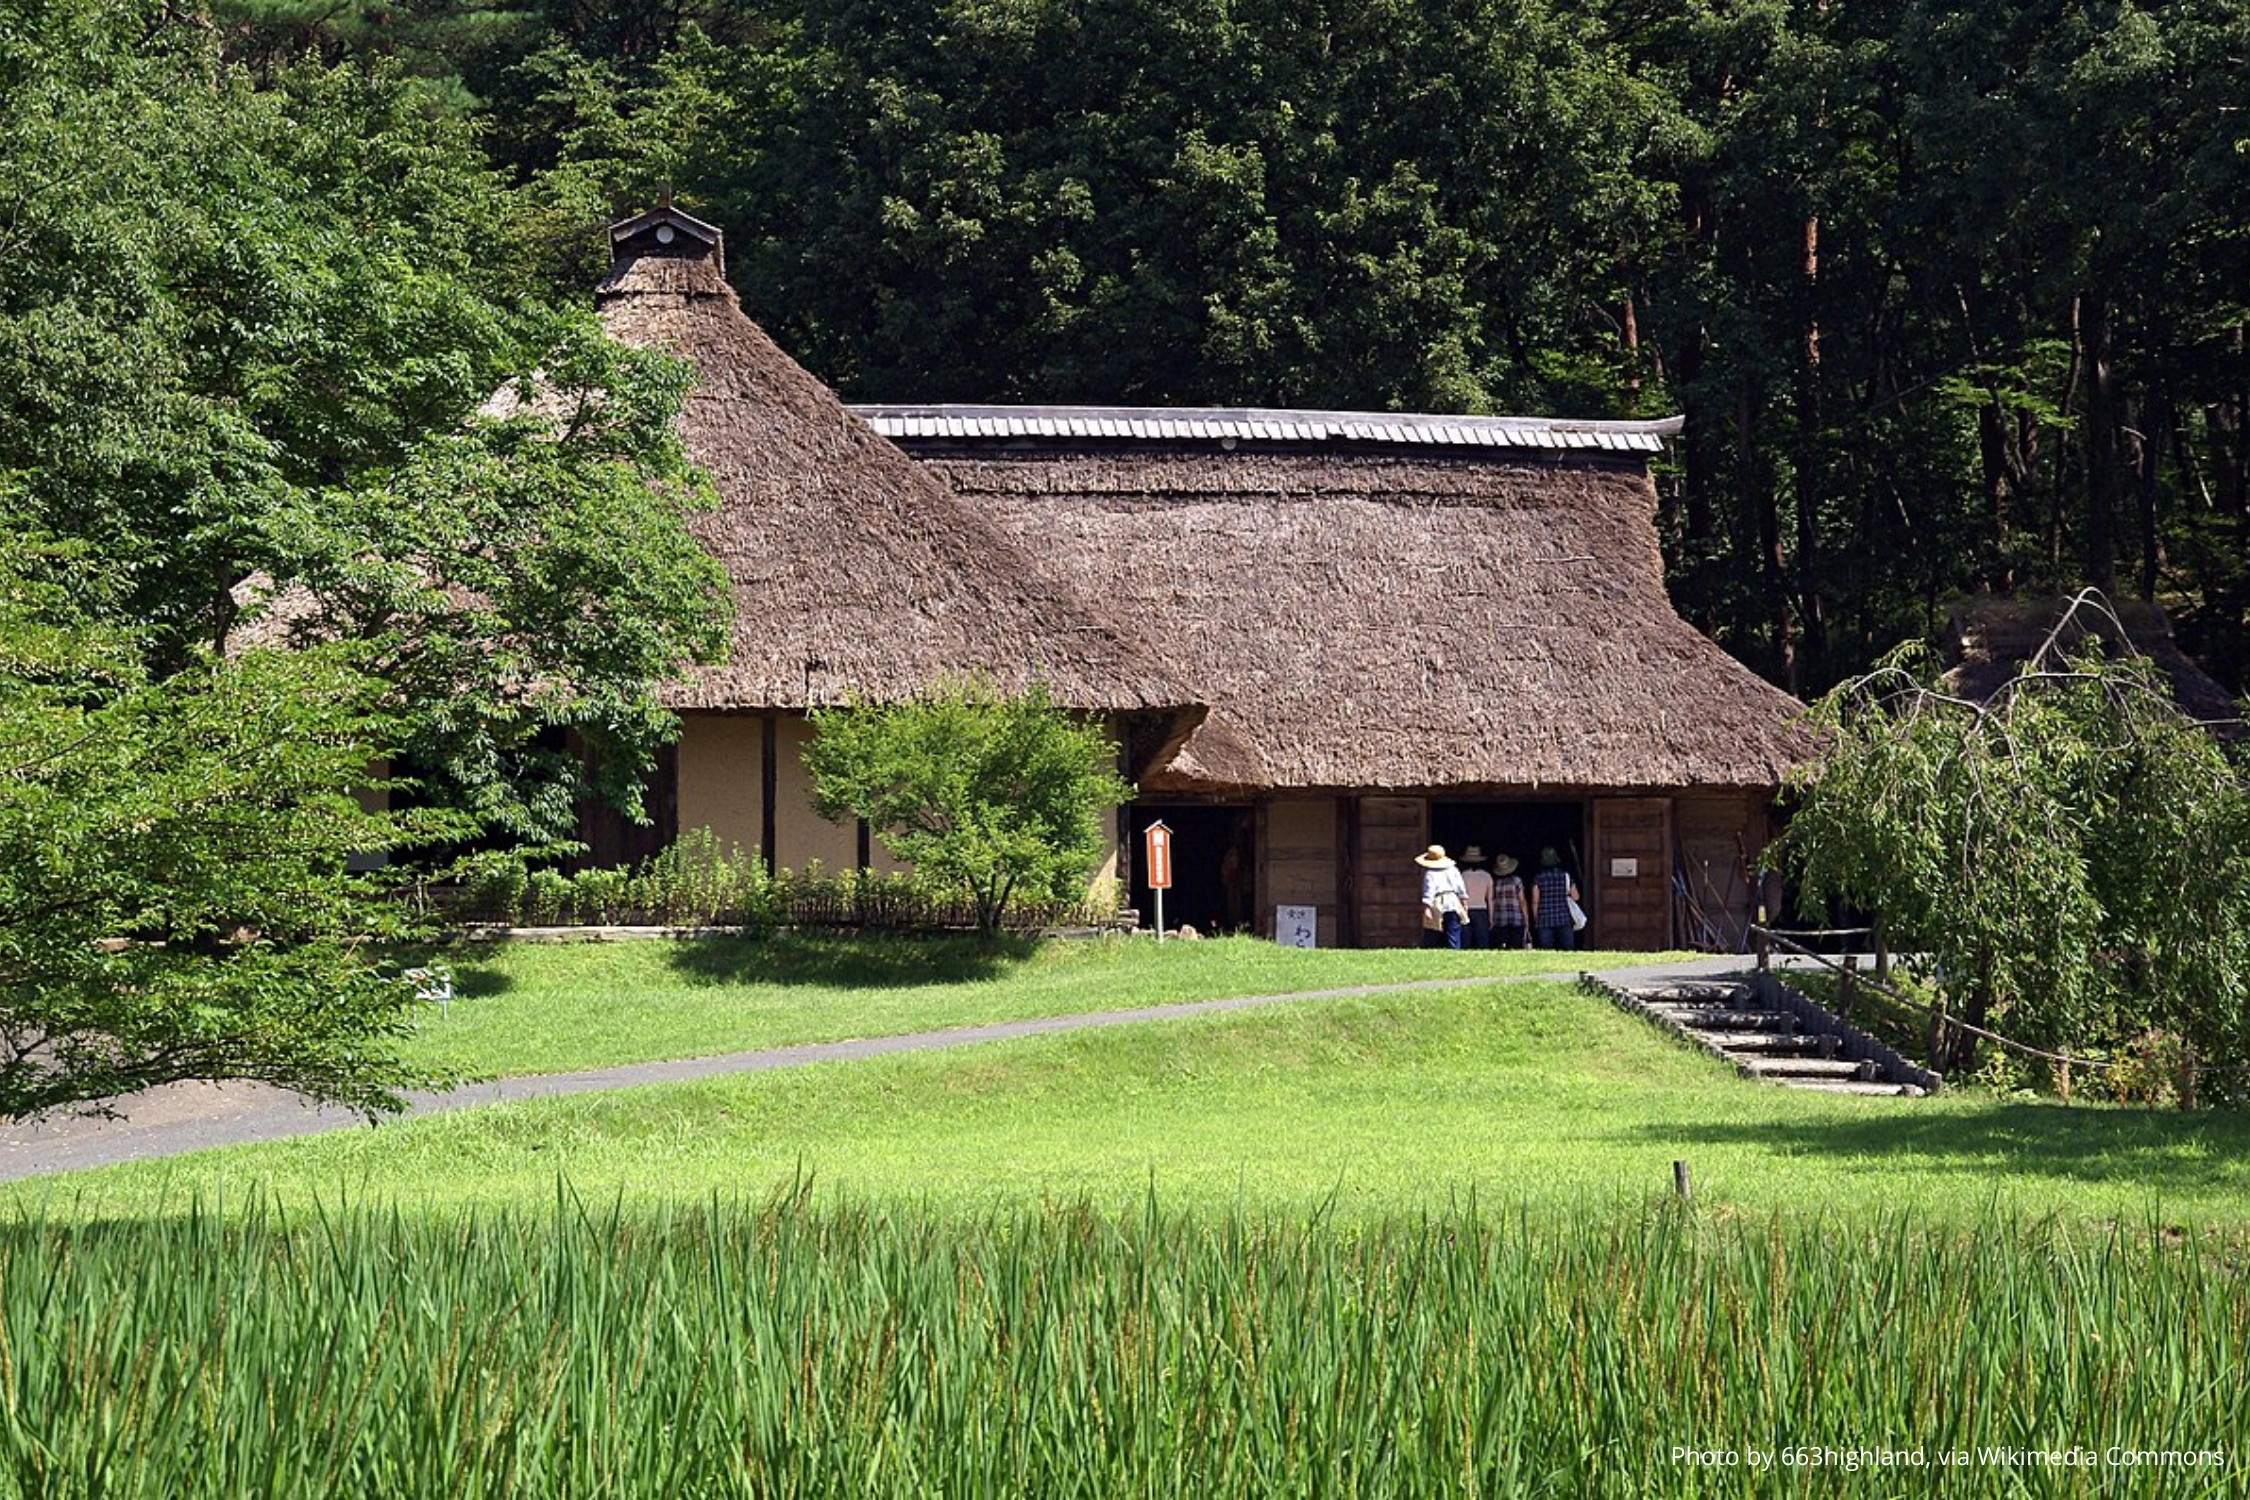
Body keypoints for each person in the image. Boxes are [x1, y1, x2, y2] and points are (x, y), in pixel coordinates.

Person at [1414, 844, 1468, 949]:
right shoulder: (1453, 870)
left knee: (1433, 930)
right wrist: (1464, 901)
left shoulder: (1430, 874)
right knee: (1453, 931)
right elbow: (1461, 887)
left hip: (1437, 902)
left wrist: (1426, 908)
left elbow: (1429, 891)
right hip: (1453, 901)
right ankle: (1454, 951)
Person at [1528, 846, 1579, 951]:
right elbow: (1576, 896)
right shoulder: (1566, 876)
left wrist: (1536, 918)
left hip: (1545, 918)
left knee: (1546, 950)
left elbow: (1535, 901)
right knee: (1568, 950)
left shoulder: (1538, 878)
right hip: (1564, 917)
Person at [1458, 846, 1496, 949]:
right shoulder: (1487, 876)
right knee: (1482, 941)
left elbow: (1459, 896)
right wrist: (1491, 917)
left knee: (1465, 941)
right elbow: (1490, 899)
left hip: (1466, 909)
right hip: (1482, 910)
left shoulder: (1463, 875)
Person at [1490, 853, 1529, 949]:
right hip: (1516, 917)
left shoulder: (1495, 883)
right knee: (1515, 945)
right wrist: (1526, 919)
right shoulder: (1517, 881)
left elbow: (1493, 900)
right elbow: (1522, 901)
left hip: (1500, 917)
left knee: (1502, 946)